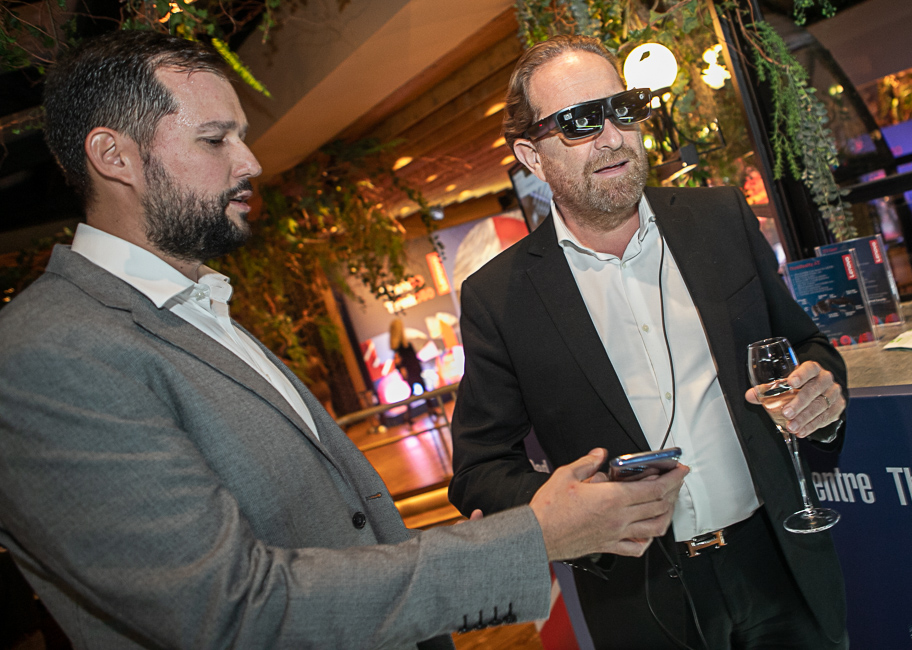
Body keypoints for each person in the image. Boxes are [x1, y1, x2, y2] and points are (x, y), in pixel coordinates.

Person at [0, 31, 689, 649]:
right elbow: (231, 612)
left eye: (241, 136)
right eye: (215, 140)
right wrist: (536, 536)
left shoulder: (196, 307)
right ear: (113, 156)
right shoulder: (48, 354)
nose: (251, 162)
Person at [449, 35, 849, 650]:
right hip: (642, 597)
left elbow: (806, 345)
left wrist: (820, 393)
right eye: (580, 122)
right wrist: (567, 507)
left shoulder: (720, 219)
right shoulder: (499, 297)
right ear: (531, 155)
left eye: (623, 109)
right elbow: (479, 469)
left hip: (780, 559)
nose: (613, 137)